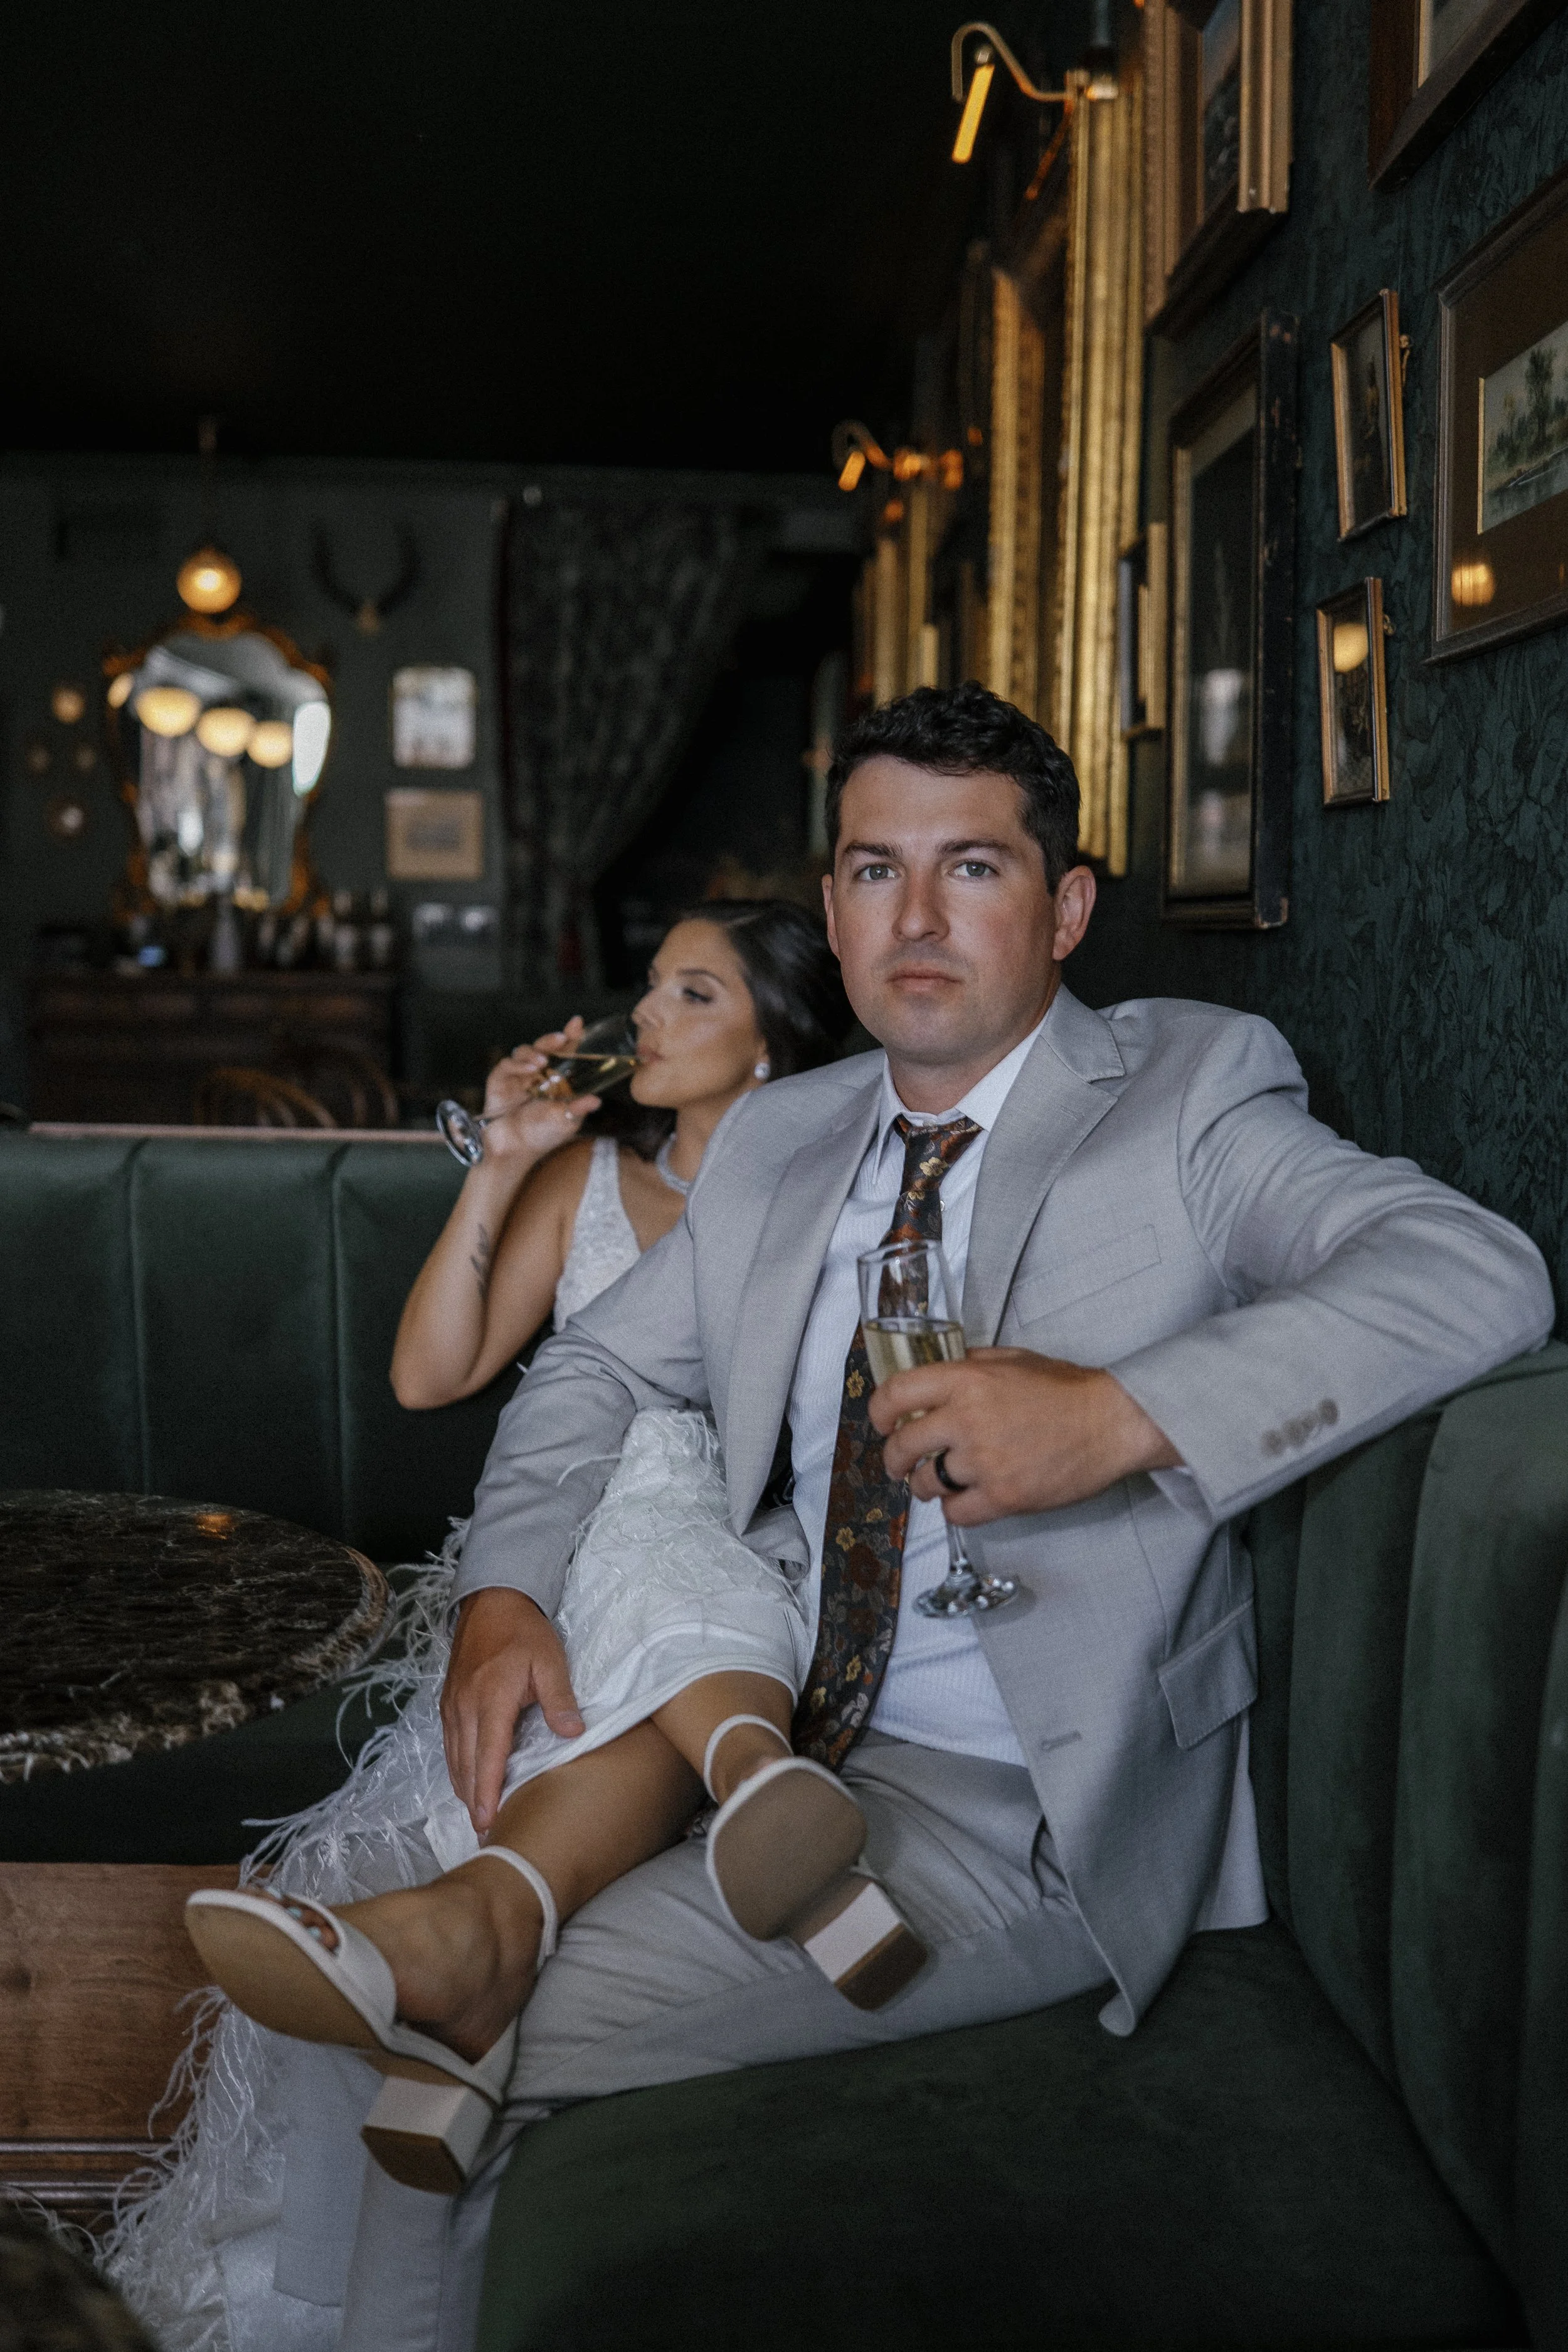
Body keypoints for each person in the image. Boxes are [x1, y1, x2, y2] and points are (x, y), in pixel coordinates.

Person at [170, 682, 1555, 2352]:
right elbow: (590, 1371)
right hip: (745, 1721)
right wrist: (503, 1594)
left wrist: (1119, 1415)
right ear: (826, 909)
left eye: (969, 868)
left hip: (1013, 1805)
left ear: (1064, 906)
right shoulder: (779, 1137)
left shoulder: (1190, 1092)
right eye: (871, 868)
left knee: (419, 2015)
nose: (913, 918)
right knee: (417, 1989)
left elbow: (1476, 1274)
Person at [104, 899, 850, 2348]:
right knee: (372, 1850)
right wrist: (501, 1170)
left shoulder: (820, 1211)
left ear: (770, 1052)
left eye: (688, 994)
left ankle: (593, 1861)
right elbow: (428, 1379)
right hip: (558, 1574)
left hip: (744, 1570)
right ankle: (736, 1773)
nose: (641, 1016)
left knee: (676, 1525)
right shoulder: (582, 1177)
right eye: (649, 984)